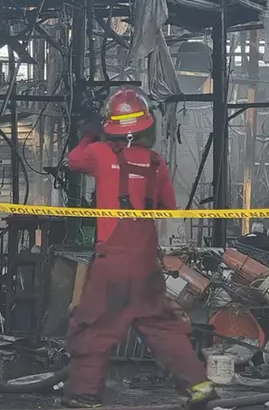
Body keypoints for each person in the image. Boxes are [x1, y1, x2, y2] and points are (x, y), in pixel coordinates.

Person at [63, 86, 217, 409]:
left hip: (112, 264)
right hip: (145, 262)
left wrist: (89, 135)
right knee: (162, 326)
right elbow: (167, 207)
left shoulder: (101, 154)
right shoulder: (156, 163)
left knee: (93, 326)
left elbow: (73, 161)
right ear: (147, 125)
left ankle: (83, 397)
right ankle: (199, 386)